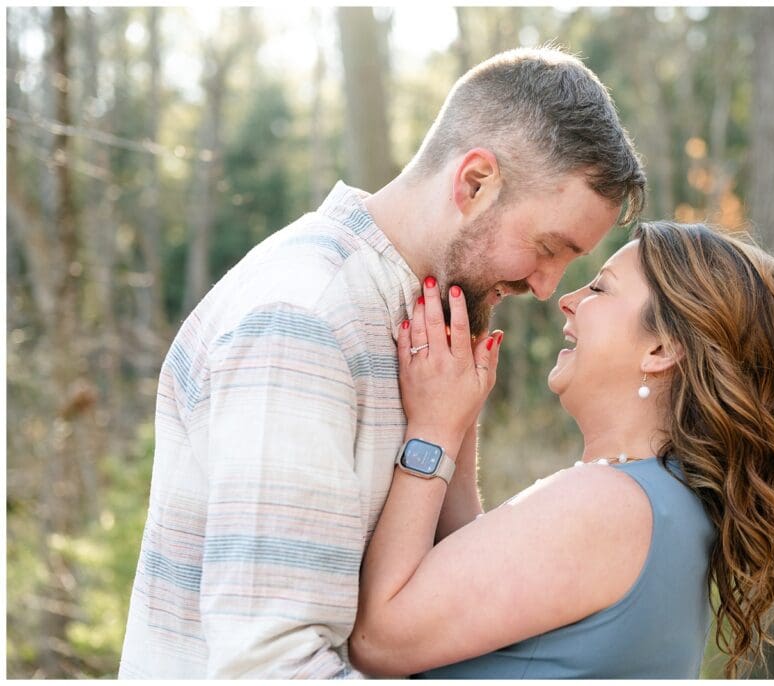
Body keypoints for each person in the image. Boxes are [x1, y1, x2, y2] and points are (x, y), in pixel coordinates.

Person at [118, 47, 645, 679]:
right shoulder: (305, 319)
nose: (546, 287)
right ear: (474, 182)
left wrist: (449, 432)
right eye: (546, 247)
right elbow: (269, 666)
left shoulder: (431, 325)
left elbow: (439, 601)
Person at [348, 221, 774, 679]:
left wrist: (431, 431)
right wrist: (460, 420)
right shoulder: (668, 499)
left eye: (599, 289)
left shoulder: (610, 504)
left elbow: (379, 640)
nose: (568, 301)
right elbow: (468, 586)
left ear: (660, 349)